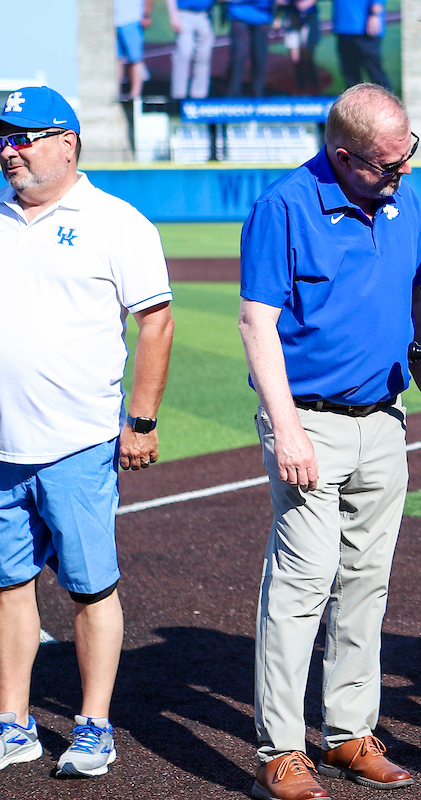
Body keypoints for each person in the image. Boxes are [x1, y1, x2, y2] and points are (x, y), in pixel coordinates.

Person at [238, 83, 421, 799]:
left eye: (407, 156)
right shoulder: (285, 206)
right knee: (301, 586)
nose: (403, 173)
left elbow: (413, 300)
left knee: (366, 585)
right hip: (310, 421)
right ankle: (281, 750)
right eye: (388, 164)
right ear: (342, 155)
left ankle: (349, 733)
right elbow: (256, 323)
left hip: (383, 419)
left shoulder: (403, 198)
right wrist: (288, 428)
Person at [0, 86, 174, 777]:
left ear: (66, 143)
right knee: (9, 586)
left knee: (89, 588)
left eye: (22, 137)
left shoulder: (115, 221)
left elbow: (155, 320)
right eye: (2, 139)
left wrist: (142, 420)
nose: (8, 150)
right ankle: (13, 722)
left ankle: (94, 725)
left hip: (76, 441)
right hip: (1, 448)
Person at [334, 0, 390, 89]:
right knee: (350, 74)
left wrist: (375, 15)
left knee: (375, 72)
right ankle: (353, 102)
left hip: (365, 29)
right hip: (344, 30)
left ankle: (387, 101)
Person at [166, 0, 216, 100]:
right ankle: (179, 96)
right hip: (184, 13)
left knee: (203, 56)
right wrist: (173, 15)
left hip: (205, 14)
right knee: (184, 54)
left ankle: (199, 96)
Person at [225, 0, 274, 97]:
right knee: (238, 56)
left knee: (259, 58)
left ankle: (257, 96)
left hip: (262, 16)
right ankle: (232, 96)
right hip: (239, 14)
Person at [115, 0, 154, 100]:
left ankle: (135, 94)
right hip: (113, 21)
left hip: (132, 19)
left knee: (135, 58)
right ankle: (116, 92)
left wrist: (146, 14)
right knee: (116, 60)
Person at [279, 0, 320, 95]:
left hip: (309, 16)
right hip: (292, 16)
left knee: (307, 57)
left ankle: (314, 90)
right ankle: (301, 90)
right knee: (295, 59)